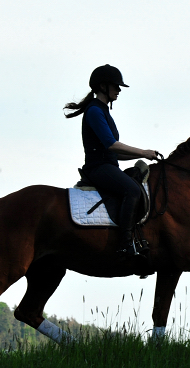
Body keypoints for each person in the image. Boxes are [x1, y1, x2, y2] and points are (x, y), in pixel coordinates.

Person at [64, 64, 158, 256]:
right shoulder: (94, 111)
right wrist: (143, 151)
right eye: (116, 86)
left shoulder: (104, 111)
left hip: (107, 165)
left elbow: (116, 153)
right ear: (103, 87)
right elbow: (112, 145)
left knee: (134, 184)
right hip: (98, 168)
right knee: (131, 190)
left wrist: (143, 155)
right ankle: (125, 244)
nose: (119, 90)